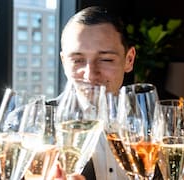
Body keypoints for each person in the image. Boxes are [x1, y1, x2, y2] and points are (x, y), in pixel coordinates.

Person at [49, 6, 135, 180]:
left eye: (105, 59)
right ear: (64, 62)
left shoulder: (157, 124)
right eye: (78, 60)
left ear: (129, 59)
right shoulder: (30, 125)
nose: (90, 74)